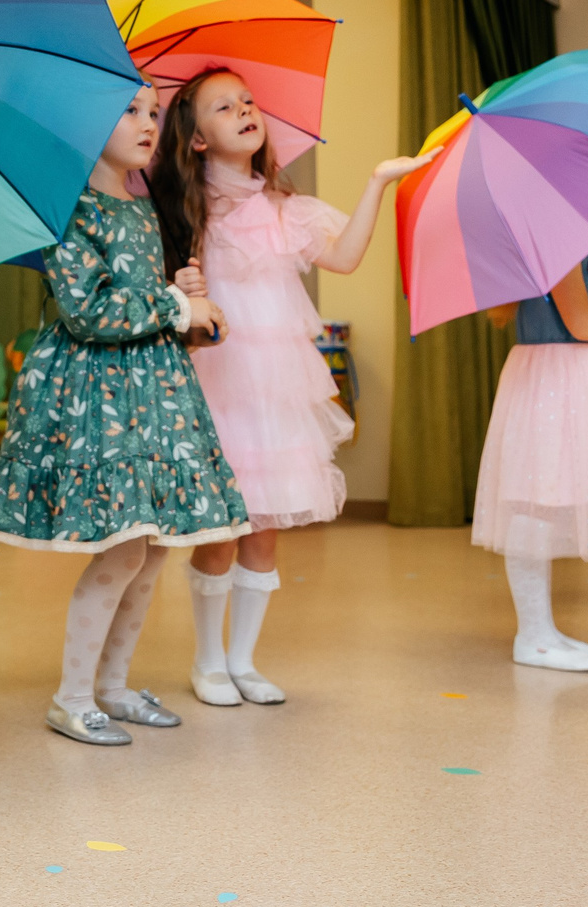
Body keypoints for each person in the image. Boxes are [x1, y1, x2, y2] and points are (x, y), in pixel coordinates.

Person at [147, 67, 435, 706]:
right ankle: (209, 661)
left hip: (274, 391)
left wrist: (378, 183)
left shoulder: (283, 207)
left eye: (248, 101)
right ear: (196, 138)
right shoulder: (182, 215)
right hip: (217, 386)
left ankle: (244, 660)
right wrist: (185, 287)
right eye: (225, 107)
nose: (246, 110)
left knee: (265, 529)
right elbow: (171, 299)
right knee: (221, 535)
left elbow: (346, 255)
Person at [0, 83, 248, 746]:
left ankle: (112, 686)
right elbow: (90, 309)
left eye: (154, 112)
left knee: (152, 548)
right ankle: (72, 696)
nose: (146, 123)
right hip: (97, 400)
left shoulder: (144, 207)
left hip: (155, 397)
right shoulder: (69, 210)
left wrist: (185, 298)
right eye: (127, 110)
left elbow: (149, 300)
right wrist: (172, 306)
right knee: (123, 548)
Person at [474, 252, 588, 670]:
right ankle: (533, 635)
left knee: (548, 493)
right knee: (537, 497)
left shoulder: (577, 244)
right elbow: (582, 323)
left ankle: (543, 629)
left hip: (571, 372)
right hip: (558, 374)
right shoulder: (555, 244)